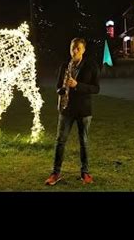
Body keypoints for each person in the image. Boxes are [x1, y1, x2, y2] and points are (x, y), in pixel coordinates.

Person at [45, 38, 100, 185]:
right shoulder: (65, 65)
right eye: (72, 48)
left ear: (83, 50)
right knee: (60, 141)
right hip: (67, 109)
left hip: (83, 110)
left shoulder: (91, 66)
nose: (74, 51)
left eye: (78, 48)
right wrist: (61, 90)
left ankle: (85, 173)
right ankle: (56, 173)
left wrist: (77, 85)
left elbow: (96, 88)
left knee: (84, 142)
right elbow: (58, 86)